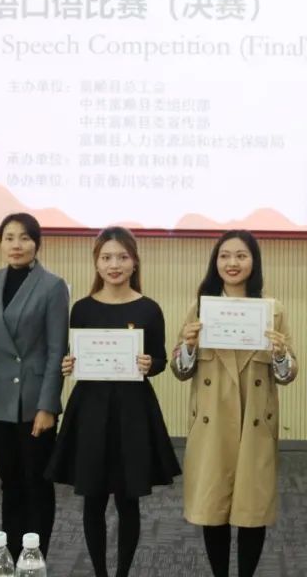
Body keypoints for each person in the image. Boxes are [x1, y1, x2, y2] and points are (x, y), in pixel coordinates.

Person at [48, 226, 181, 577]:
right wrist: (68, 364)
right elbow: (74, 355)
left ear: (134, 262)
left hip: (133, 411)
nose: (114, 265)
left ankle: (122, 572)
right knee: (92, 498)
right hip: (90, 409)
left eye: (122, 257)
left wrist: (150, 363)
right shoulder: (82, 309)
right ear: (96, 263)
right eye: (106, 257)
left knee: (128, 498)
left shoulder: (149, 309)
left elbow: (160, 360)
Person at [171, 230, 296, 577]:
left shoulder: (273, 310)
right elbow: (180, 370)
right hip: (211, 424)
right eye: (225, 255)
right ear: (216, 262)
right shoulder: (200, 307)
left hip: (255, 424)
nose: (232, 263)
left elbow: (287, 374)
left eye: (241, 255)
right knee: (213, 509)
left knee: (252, 512)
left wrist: (281, 354)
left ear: (254, 262)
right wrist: (188, 346)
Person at [0, 212, 68, 559]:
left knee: (36, 483)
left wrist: (48, 405)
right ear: (0, 243)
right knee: (9, 483)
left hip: (33, 402)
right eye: (9, 237)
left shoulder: (52, 286)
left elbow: (56, 350)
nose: (16, 245)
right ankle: (11, 555)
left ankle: (36, 558)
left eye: (24, 238)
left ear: (37, 244)